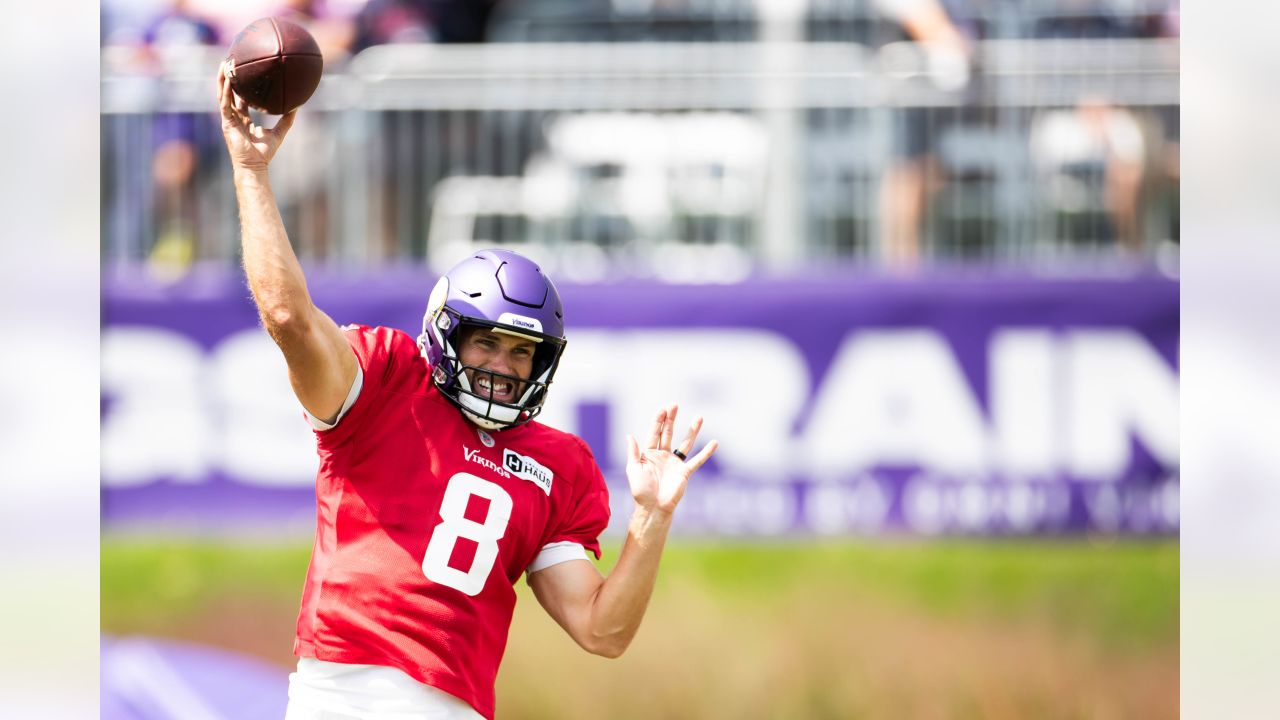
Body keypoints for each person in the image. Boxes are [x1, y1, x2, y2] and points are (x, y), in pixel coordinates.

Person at [215, 62, 718, 720]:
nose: (504, 366)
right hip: (343, 695)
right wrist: (251, 172)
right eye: (486, 342)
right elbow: (286, 318)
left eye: (521, 351)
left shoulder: (558, 465)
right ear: (445, 336)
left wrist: (652, 519)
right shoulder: (386, 383)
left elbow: (603, 630)